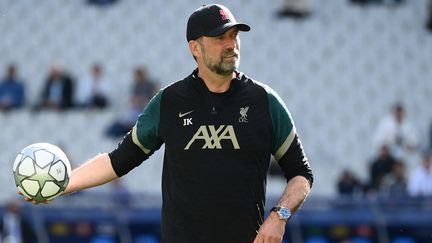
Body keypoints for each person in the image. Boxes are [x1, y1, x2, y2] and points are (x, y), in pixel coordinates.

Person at [24, 4, 313, 243]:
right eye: (219, 38)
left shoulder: (266, 101)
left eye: (234, 36)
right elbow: (119, 161)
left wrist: (279, 217)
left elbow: (301, 174)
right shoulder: (170, 101)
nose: (231, 45)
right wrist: (63, 184)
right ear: (195, 48)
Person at [105, 67, 157, 138]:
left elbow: (153, 97)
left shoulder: (150, 85)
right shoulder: (136, 85)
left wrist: (141, 101)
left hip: (144, 108)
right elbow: (132, 99)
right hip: (136, 109)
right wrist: (136, 101)